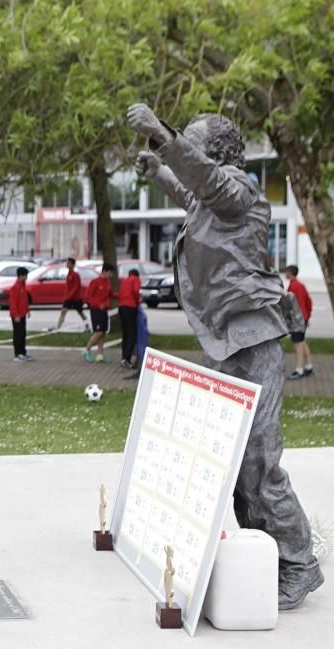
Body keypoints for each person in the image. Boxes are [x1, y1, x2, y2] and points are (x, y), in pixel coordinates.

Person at [129, 102, 323, 609]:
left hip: (252, 339)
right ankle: (262, 555)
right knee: (227, 460)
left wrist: (165, 139)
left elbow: (211, 185)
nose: (187, 153)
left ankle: (298, 564)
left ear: (214, 152)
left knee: (259, 461)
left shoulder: (241, 189)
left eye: (193, 145)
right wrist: (160, 170)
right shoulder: (210, 199)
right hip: (225, 341)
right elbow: (194, 191)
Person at [285, 265, 313, 381]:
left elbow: (294, 305)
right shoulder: (299, 285)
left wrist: (299, 319)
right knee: (302, 342)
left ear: (290, 272)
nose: (285, 274)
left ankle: (299, 369)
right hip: (302, 318)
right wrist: (307, 317)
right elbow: (309, 302)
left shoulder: (294, 287)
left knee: (298, 345)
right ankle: (309, 366)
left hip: (297, 320)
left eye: (286, 271)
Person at [83, 264, 116, 363]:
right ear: (104, 271)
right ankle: (86, 350)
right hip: (96, 310)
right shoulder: (95, 282)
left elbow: (110, 294)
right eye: (110, 273)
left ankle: (100, 355)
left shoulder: (108, 282)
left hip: (104, 310)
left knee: (103, 333)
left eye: (112, 273)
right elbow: (88, 297)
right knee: (98, 332)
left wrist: (121, 296)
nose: (111, 275)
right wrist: (98, 304)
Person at [54, 258, 88, 331]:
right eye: (67, 263)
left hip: (75, 298)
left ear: (72, 265)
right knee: (63, 312)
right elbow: (68, 288)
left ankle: (87, 326)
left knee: (80, 312)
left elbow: (76, 287)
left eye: (69, 263)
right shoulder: (68, 274)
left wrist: (69, 296)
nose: (67, 264)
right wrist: (66, 297)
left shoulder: (75, 275)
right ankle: (57, 328)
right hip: (69, 298)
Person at [118, 268, 142, 368]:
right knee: (132, 334)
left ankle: (123, 356)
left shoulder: (124, 281)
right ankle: (127, 359)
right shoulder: (136, 279)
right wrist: (138, 300)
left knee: (125, 333)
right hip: (130, 307)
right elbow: (136, 291)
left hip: (121, 307)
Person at [9, 266, 34, 362]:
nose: (26, 277)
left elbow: (24, 300)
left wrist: (27, 310)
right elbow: (13, 303)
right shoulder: (15, 287)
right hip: (17, 315)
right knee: (18, 335)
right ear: (21, 276)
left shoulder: (23, 286)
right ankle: (17, 354)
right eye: (25, 275)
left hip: (23, 314)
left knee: (23, 334)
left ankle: (23, 352)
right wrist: (16, 315)